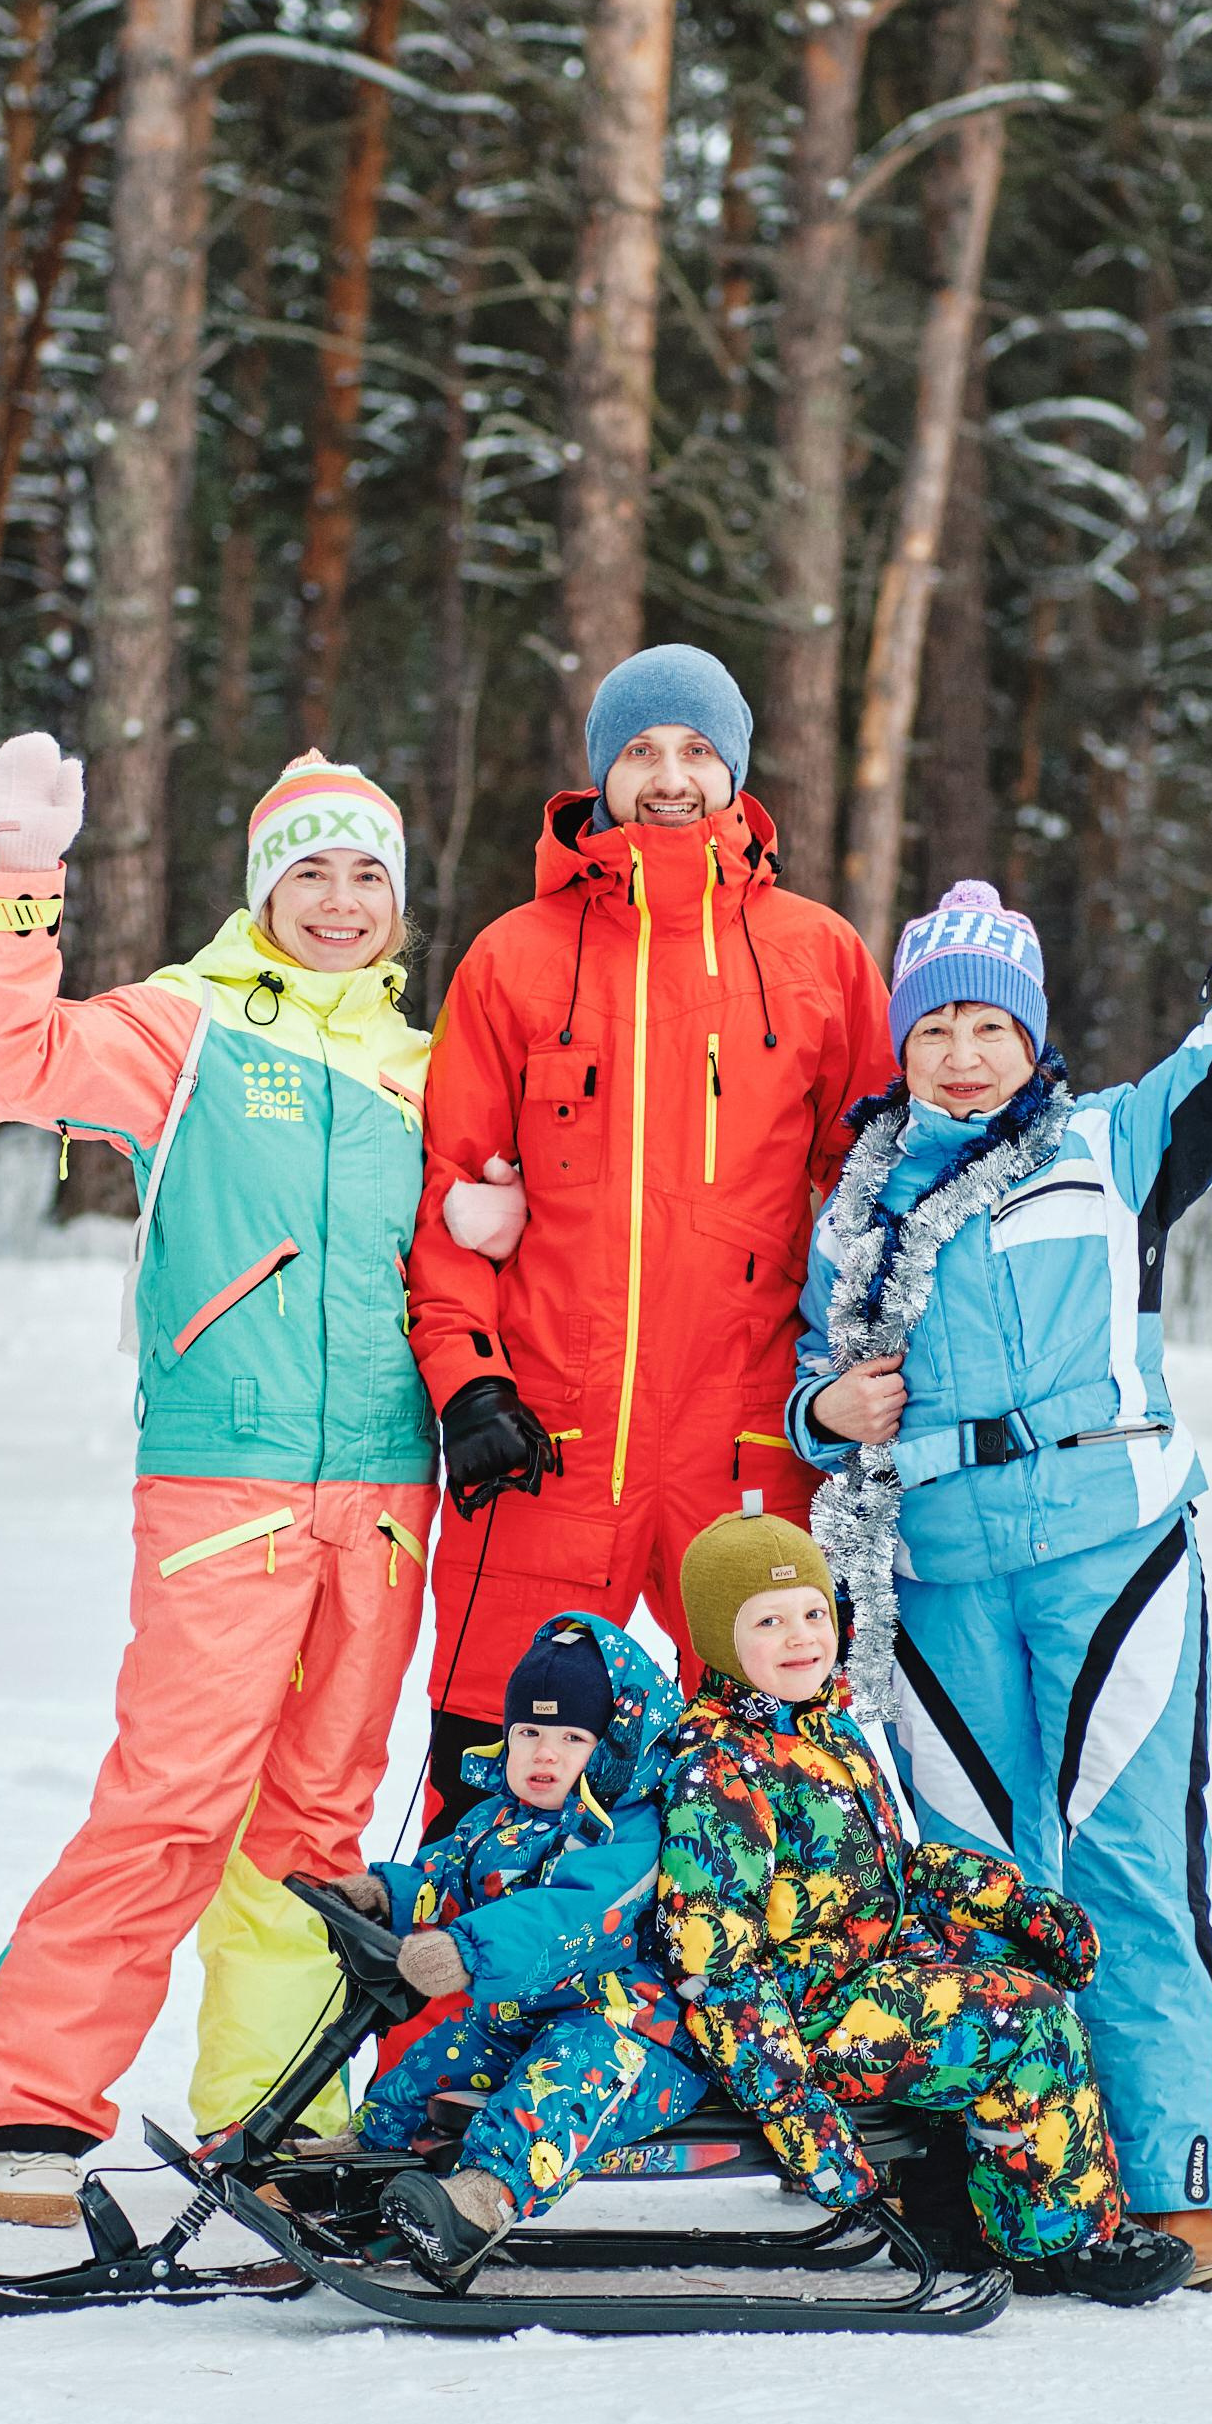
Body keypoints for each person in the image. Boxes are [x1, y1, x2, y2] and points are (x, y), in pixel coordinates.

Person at [785, 765, 1212, 2293]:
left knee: (1123, 1865)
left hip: (1111, 1544)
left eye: (991, 1028)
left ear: (1032, 1039)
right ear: (903, 1042)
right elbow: (806, 1388)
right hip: (934, 1569)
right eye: (937, 1028)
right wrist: (819, 1418)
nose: (964, 1054)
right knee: (977, 1878)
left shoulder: (1110, 1146)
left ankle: (1172, 2180)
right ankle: (1020, 2178)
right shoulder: (852, 1205)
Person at [0, 737, 436, 2228]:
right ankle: (36, 2102)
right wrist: (21, 884)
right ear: (263, 889)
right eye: (310, 872)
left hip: (391, 1490)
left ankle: (273, 2110)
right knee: (171, 1798)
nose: (338, 902)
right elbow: (8, 1064)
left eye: (366, 875)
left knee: (317, 1824)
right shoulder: (192, 1025)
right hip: (229, 1481)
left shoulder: (431, 1065)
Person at [401, 642, 894, 1828]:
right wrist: (468, 1385)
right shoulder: (512, 959)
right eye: (639, 751)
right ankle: (458, 2023)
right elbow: (455, 1203)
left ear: (734, 774)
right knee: (495, 1800)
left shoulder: (819, 956)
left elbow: (876, 1200)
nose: (668, 777)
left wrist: (856, 1389)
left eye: (694, 751)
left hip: (749, 1446)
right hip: (547, 1446)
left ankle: (736, 2022)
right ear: (599, 774)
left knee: (770, 1812)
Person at [655, 1509, 1191, 2302]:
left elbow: (879, 1871)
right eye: (767, 1621)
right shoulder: (720, 1771)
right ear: (715, 1638)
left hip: (854, 1974)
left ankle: (955, 2209)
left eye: (811, 1612)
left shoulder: (819, 1725)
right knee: (1025, 2018)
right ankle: (1062, 2240)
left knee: (999, 1961)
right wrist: (805, 2128)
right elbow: (713, 1971)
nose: (801, 1637)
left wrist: (1010, 1906)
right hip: (798, 2021)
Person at [308, 1615, 708, 2285]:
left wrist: (466, 1946)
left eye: (570, 1737)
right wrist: (386, 1893)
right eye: (528, 1733)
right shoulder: (497, 1816)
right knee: (436, 2059)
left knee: (558, 2081)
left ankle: (480, 2199)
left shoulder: (629, 1830)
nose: (543, 1755)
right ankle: (359, 2159)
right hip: (529, 2013)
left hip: (632, 2029)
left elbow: (573, 1913)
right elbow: (449, 1876)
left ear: (610, 1745)